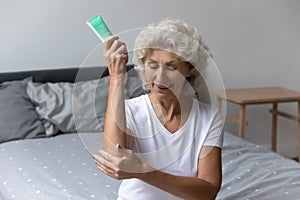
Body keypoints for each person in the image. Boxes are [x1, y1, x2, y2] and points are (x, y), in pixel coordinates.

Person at [93, 18, 224, 200]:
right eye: (153, 65)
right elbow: (115, 161)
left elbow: (208, 192)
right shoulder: (129, 110)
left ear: (190, 69)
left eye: (171, 67)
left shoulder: (209, 117)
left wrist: (143, 172)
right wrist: (116, 76)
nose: (160, 76)